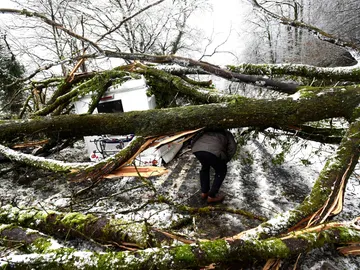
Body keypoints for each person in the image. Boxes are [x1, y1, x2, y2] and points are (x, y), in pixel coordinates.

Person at [191, 128, 237, 203]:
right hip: (213, 151)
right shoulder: (226, 133)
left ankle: (204, 192)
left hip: (198, 149)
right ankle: (211, 196)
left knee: (205, 167)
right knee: (221, 170)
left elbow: (194, 140)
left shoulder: (205, 130)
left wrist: (195, 149)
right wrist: (225, 160)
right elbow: (232, 148)